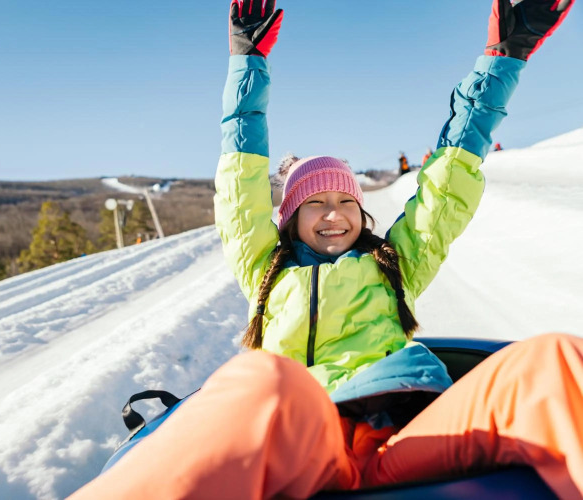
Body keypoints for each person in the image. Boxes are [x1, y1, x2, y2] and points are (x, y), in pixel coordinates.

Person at [69, 1, 581, 498]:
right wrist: (248, 62)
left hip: (405, 433)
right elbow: (240, 180)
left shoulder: (395, 264)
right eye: (315, 203)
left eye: (345, 201)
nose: (334, 214)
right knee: (260, 375)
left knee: (554, 359)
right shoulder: (266, 269)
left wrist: (503, 59)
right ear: (290, 219)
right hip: (302, 440)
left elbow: (448, 181)